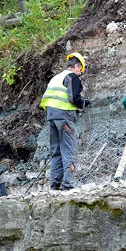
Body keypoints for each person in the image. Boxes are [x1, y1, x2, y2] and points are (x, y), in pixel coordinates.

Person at [40, 53, 91, 191]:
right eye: (80, 70)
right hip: (64, 117)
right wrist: (84, 103)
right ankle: (68, 185)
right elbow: (74, 98)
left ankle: (54, 185)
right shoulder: (71, 76)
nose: (80, 74)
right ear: (76, 66)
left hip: (52, 117)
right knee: (69, 150)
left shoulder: (56, 77)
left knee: (56, 151)